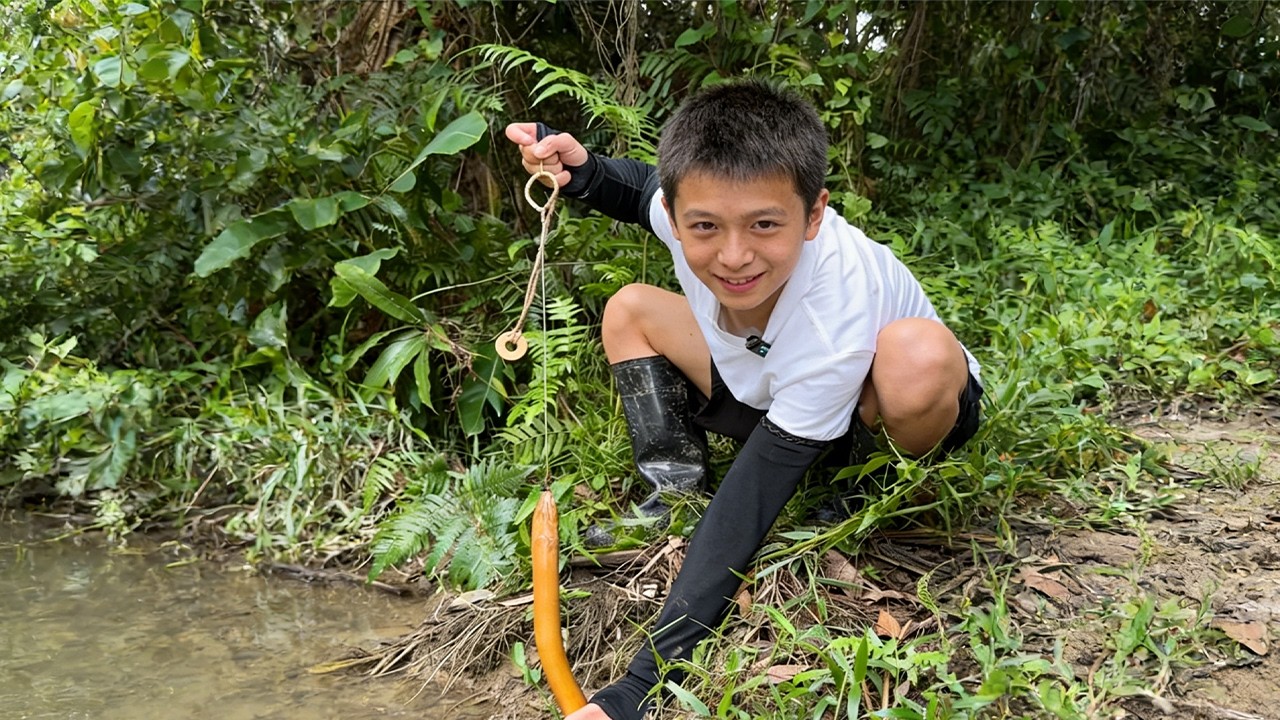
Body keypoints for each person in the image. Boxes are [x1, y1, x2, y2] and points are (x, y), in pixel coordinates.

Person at [504, 79, 982, 720]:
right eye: (704, 226)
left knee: (915, 355)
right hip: (769, 380)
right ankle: (672, 486)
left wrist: (634, 691)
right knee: (632, 309)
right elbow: (642, 186)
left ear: (814, 215)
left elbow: (743, 516)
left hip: (883, 403)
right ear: (677, 219)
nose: (734, 256)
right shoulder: (683, 214)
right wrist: (584, 171)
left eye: (765, 224)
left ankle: (866, 479)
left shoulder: (832, 317)